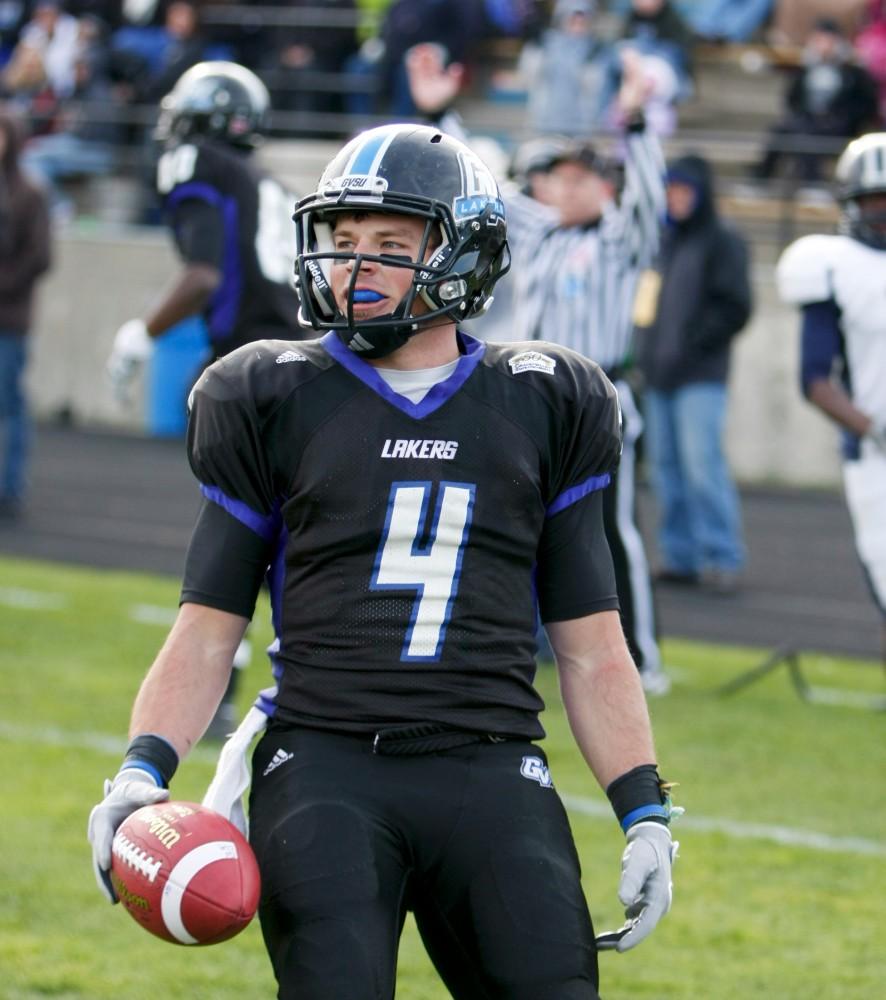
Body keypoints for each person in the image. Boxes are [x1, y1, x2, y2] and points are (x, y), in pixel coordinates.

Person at [88, 121, 680, 999]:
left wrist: (643, 809)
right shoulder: (271, 391)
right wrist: (141, 769)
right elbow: (209, 627)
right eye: (341, 241)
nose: (352, 266)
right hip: (322, 760)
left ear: (460, 255)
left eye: (389, 245)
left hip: (490, 759)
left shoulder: (547, 399)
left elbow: (591, 643)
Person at [409, 42, 671, 694]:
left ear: (604, 186)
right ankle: (518, 645)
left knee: (610, 531)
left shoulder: (617, 235)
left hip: (600, 392)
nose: (568, 186)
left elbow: (647, 201)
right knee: (514, 521)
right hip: (529, 394)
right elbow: (481, 187)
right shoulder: (537, 229)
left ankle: (640, 657)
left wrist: (635, 122)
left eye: (583, 177)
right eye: (558, 176)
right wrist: (442, 115)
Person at [105, 60, 307, 737]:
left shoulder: (197, 161)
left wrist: (143, 331)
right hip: (306, 368)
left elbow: (202, 273)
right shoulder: (265, 180)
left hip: (249, 371)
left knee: (235, 538)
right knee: (288, 542)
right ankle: (265, 693)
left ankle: (223, 697)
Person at [776, 131, 886, 663]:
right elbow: (814, 379)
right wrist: (875, 428)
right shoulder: (832, 264)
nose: (883, 213)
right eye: (874, 200)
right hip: (876, 451)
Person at [635, 154, 752, 593]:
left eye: (684, 190)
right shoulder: (664, 241)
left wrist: (693, 345)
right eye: (671, 190)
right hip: (659, 376)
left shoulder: (722, 240)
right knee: (666, 470)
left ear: (701, 194)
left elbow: (736, 306)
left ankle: (722, 556)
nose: (676, 198)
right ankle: (680, 556)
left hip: (700, 376)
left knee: (703, 468)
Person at [0, 110, 52, 519]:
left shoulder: (30, 194)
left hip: (9, 320)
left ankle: (10, 488)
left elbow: (40, 256)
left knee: (10, 405)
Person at [752, 18, 879, 183]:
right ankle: (761, 178)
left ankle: (812, 182)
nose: (823, 46)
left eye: (827, 40)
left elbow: (865, 104)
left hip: (840, 126)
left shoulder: (853, 72)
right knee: (786, 130)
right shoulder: (806, 69)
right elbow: (793, 99)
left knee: (807, 134)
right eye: (819, 40)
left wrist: (841, 118)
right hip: (808, 122)